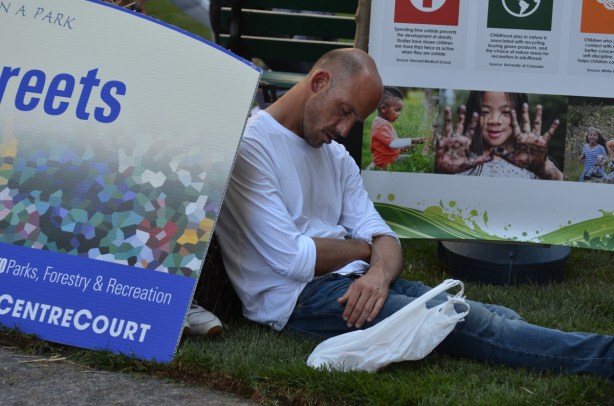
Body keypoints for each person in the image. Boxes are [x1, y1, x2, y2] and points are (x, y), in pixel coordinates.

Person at [215, 48, 613, 380]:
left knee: (478, 314)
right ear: (318, 82)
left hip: (355, 282)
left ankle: (515, 332)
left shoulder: (334, 154)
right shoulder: (250, 146)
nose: (345, 128)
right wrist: (365, 251)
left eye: (355, 118)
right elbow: (292, 258)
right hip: (301, 300)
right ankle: (604, 357)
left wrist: (377, 271)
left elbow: (386, 237)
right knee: (471, 321)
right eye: (344, 111)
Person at [435, 91, 563, 180]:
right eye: (484, 111)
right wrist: (441, 171)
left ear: (519, 116)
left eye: (506, 112)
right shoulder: (458, 160)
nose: (495, 120)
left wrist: (543, 168)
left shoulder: (532, 161)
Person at [370, 87, 426, 169]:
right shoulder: (380, 126)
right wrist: (412, 140)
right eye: (397, 110)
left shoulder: (383, 123)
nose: (399, 114)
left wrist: (402, 148)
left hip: (390, 158)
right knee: (415, 160)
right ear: (383, 108)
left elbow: (388, 145)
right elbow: (393, 143)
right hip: (385, 163)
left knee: (412, 158)